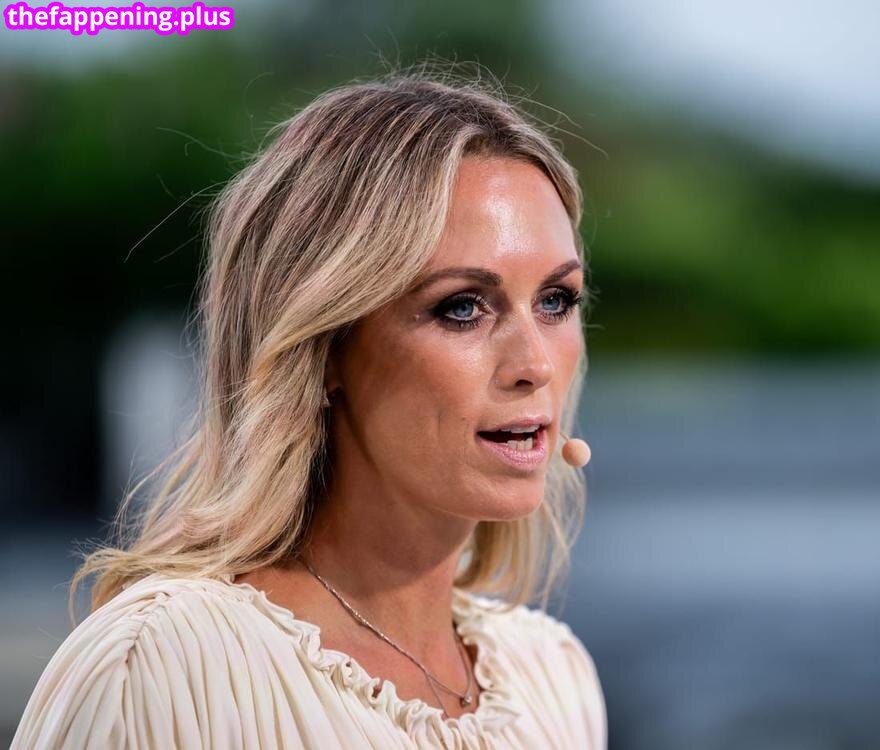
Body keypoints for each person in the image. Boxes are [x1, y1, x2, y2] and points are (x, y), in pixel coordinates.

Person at [11, 65, 605, 749]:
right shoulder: (167, 668)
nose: (535, 364)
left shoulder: (552, 678)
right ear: (325, 348)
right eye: (463, 307)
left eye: (556, 300)